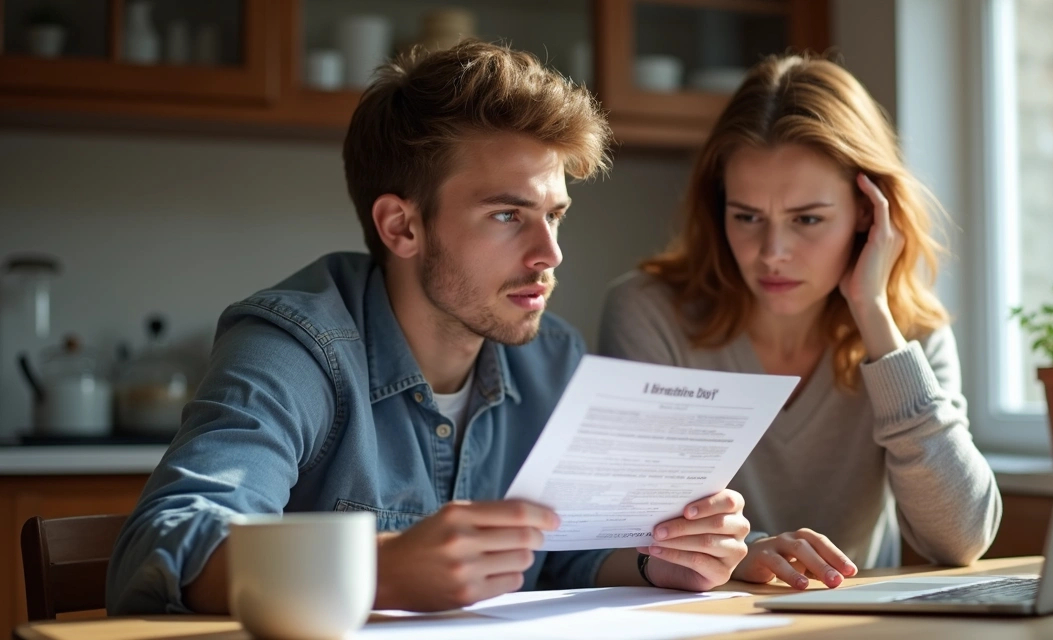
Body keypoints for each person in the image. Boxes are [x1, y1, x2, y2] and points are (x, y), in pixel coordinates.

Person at [107, 41, 750, 616]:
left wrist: (655, 560)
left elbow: (558, 558)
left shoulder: (551, 358)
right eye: (507, 215)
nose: (550, 254)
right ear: (401, 228)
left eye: (556, 215)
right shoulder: (295, 346)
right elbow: (162, 542)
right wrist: (373, 572)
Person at [597, 53, 1001, 591]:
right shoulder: (650, 314)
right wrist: (743, 554)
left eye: (807, 219)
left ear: (867, 212)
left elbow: (962, 538)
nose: (772, 253)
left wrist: (875, 318)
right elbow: (631, 525)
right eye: (747, 217)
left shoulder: (910, 334)